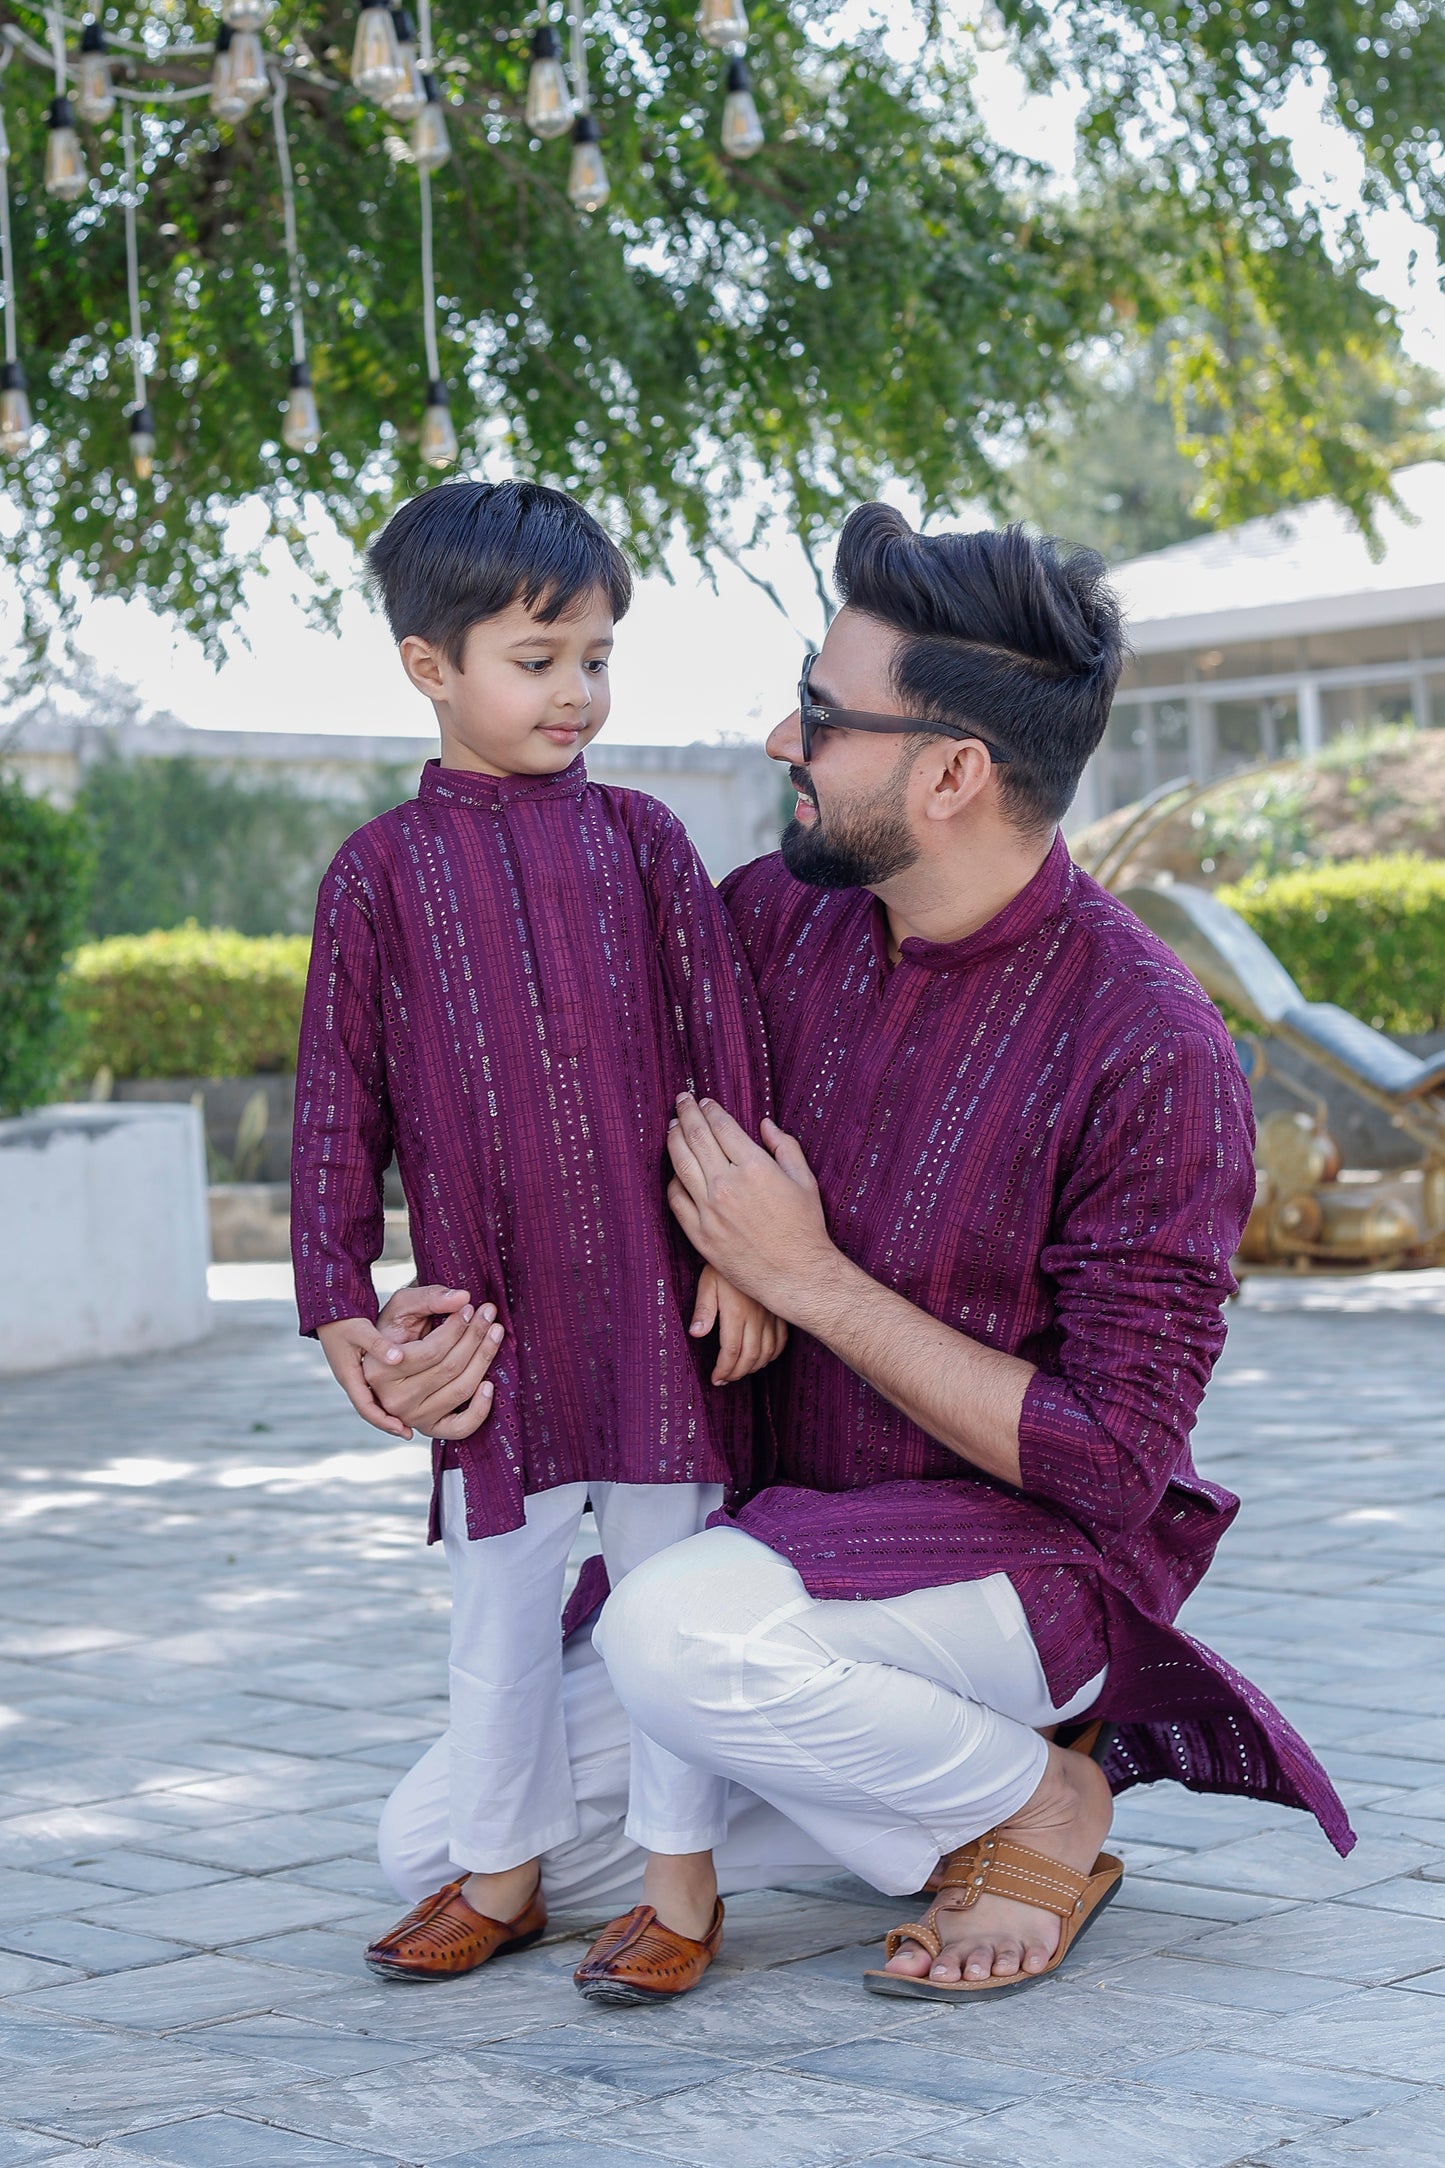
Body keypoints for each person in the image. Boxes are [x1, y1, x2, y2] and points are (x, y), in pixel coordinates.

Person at [366, 505, 1351, 2004]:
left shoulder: (1148, 1043)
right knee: (436, 1836)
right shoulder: (766, 926)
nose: (779, 734)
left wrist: (810, 1275)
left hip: (1013, 1570)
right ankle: (942, 1790)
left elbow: (1110, 1463)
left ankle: (1036, 1801)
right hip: (760, 1553)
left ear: (952, 773)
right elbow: (565, 1161)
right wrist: (428, 1336)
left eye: (823, 716)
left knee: (674, 1636)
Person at [290, 479, 783, 2005]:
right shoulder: (377, 875)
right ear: (429, 667)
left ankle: (678, 1890)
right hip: (486, 1328)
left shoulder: (644, 844)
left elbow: (726, 1065)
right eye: (538, 656)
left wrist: (739, 1261)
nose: (577, 690)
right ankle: (497, 1878)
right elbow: (333, 1109)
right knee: (498, 1615)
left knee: (663, 1606)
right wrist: (338, 1310)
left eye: (596, 655)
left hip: (654, 1316)